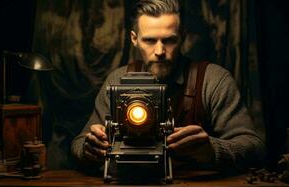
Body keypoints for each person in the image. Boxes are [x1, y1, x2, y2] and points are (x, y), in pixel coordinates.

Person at [71, 0, 265, 174]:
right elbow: (79, 143)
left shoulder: (213, 80)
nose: (160, 51)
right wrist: (89, 149)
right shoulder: (117, 80)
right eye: (149, 40)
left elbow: (254, 147)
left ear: (182, 37)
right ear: (134, 39)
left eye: (169, 40)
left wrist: (212, 150)